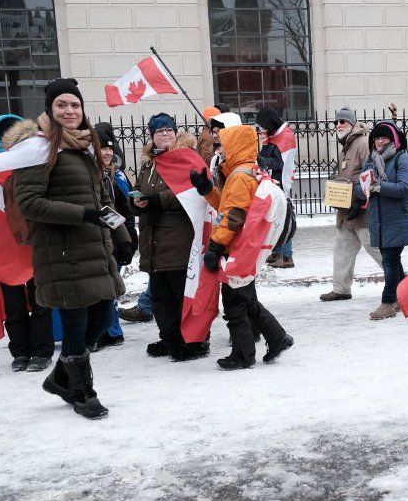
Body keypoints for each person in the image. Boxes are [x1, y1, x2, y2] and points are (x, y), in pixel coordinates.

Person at [13, 78, 134, 420]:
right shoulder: (38, 149)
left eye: (75, 105)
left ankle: (61, 377)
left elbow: (104, 197)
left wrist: (122, 237)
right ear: (50, 110)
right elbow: (30, 203)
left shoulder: (87, 146)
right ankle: (83, 391)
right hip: (61, 252)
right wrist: (82, 215)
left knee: (104, 316)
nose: (69, 111)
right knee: (76, 326)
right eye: (61, 105)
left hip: (95, 249)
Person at [190, 124, 293, 370]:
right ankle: (277, 338)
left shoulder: (238, 176)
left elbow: (232, 216)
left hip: (235, 247)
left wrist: (215, 247)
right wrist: (207, 190)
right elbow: (228, 205)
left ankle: (243, 355)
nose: (221, 149)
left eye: (224, 144)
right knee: (246, 299)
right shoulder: (247, 170)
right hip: (246, 246)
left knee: (235, 303)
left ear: (236, 145)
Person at [130, 113, 210, 362]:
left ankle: (194, 341)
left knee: (181, 294)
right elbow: (143, 191)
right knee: (161, 296)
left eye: (168, 130)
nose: (163, 134)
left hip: (179, 239)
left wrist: (156, 200)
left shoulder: (187, 159)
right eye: (158, 132)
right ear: (151, 137)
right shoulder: (149, 164)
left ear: (176, 133)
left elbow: (195, 195)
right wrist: (137, 203)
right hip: (153, 239)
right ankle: (171, 338)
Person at [0, 113, 56, 372]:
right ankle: (19, 351)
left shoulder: (35, 160)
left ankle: (41, 351)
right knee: (13, 304)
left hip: (36, 243)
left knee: (41, 300)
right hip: (4, 248)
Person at [355, 120, 408, 320]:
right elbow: (361, 187)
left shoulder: (402, 159)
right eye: (376, 138)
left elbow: (404, 187)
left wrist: (378, 187)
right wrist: (365, 188)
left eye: (384, 138)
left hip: (398, 218)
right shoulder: (372, 160)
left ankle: (389, 301)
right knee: (392, 261)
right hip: (379, 219)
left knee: (390, 260)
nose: (379, 142)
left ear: (393, 140)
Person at [320, 107, 383, 302]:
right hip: (346, 211)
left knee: (376, 249)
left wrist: (362, 200)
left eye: (343, 121)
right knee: (342, 249)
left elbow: (372, 174)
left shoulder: (363, 143)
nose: (338, 125)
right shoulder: (347, 145)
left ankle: (402, 283)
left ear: (353, 124)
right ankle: (341, 289)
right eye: (336, 122)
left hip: (362, 211)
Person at [93, 121, 136, 351]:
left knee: (110, 286)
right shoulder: (94, 176)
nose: (108, 152)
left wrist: (128, 238)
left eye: (110, 148)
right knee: (104, 287)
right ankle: (107, 331)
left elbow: (126, 209)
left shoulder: (116, 175)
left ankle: (111, 330)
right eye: (102, 148)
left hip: (116, 240)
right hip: (100, 240)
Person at [256, 107, 297, 269]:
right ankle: (276, 252)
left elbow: (280, 163)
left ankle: (287, 256)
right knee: (275, 218)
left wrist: (261, 160)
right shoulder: (275, 135)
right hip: (274, 180)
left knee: (284, 218)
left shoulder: (285, 136)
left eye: (264, 126)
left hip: (281, 182)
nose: (263, 129)